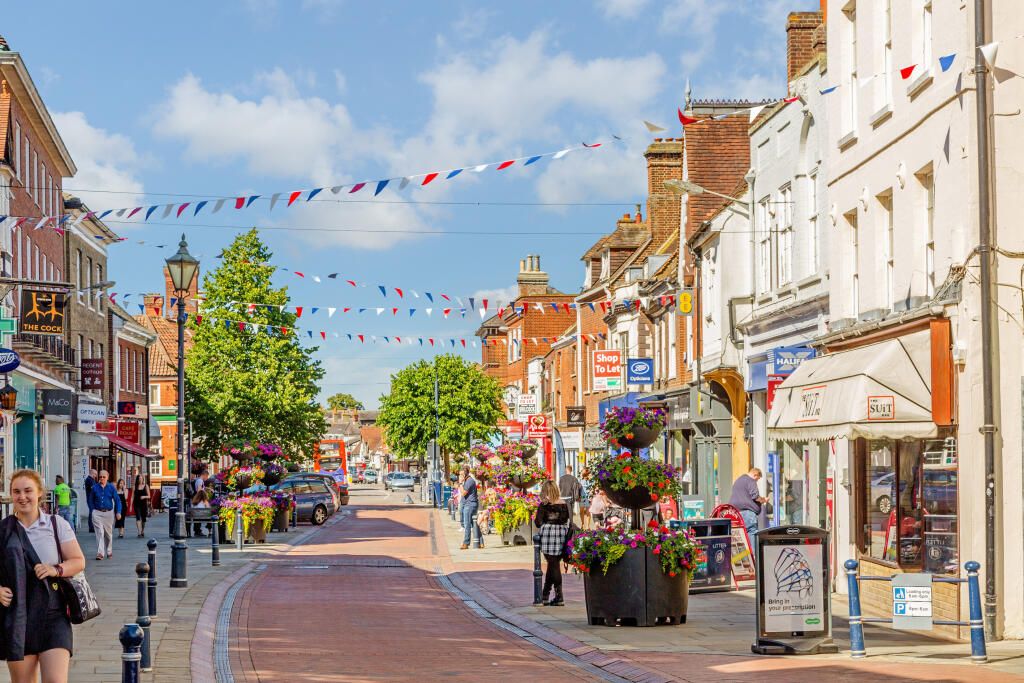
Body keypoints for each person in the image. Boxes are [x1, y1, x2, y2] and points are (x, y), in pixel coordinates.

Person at [0, 469, 86, 682]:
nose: (22, 497)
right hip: (18, 617)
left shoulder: (56, 525)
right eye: (17, 491)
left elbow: (78, 561)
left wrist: (55, 569)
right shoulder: (3, 530)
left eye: (28, 490)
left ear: (39, 492)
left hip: (53, 614)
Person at [534, 480, 570, 606]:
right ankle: (545, 595)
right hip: (562, 534)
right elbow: (565, 519)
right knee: (553, 565)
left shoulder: (544, 505)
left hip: (548, 533)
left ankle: (559, 597)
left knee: (553, 565)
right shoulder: (564, 504)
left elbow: (538, 522)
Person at [729, 467, 767, 552]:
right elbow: (755, 496)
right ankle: (754, 559)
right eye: (758, 478)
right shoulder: (751, 480)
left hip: (736, 514)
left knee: (741, 538)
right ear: (755, 474)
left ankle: (744, 560)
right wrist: (763, 500)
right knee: (751, 535)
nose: (757, 481)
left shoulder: (739, 480)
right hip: (748, 513)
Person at [87, 470, 121, 560]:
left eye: (103, 477)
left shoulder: (111, 488)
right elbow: (90, 500)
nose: (102, 478)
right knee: (100, 532)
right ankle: (100, 553)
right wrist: (92, 510)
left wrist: (118, 512)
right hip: (97, 513)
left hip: (109, 513)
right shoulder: (94, 487)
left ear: (107, 477)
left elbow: (117, 500)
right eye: (100, 477)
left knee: (108, 535)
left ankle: (109, 551)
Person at [458, 466, 483, 549]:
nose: (460, 476)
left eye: (461, 475)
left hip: (470, 505)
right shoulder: (467, 480)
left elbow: (463, 493)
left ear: (465, 474)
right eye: (459, 475)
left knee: (467, 524)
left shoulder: (469, 481)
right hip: (469, 504)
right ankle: (480, 542)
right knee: (474, 523)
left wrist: (461, 483)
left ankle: (466, 543)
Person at [83, 469, 97, 534]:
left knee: (92, 512)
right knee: (92, 512)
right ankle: (91, 528)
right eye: (95, 474)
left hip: (92, 498)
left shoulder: (92, 479)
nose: (96, 475)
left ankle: (92, 527)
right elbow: (93, 488)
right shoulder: (89, 480)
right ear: (92, 473)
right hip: (90, 498)